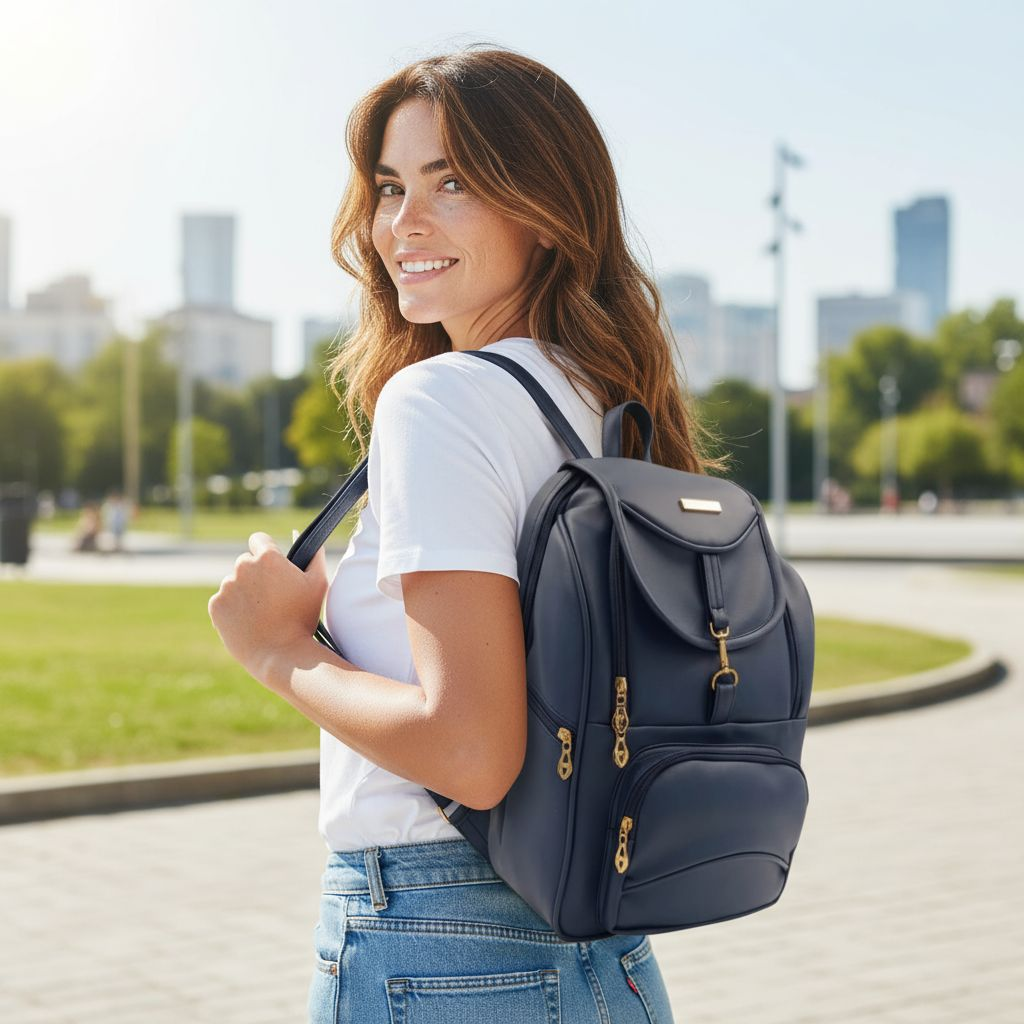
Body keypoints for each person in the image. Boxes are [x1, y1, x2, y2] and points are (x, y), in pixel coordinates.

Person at [208, 43, 716, 1023]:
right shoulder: (606, 403)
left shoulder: (441, 400)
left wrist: (277, 649)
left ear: (545, 206)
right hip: (604, 947)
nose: (404, 223)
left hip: (438, 942)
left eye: (455, 182)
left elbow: (473, 751)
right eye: (391, 186)